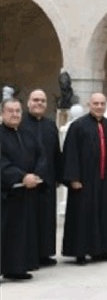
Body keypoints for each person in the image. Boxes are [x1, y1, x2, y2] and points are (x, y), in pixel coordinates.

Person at [62, 92, 107, 264]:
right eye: (96, 103)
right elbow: (70, 153)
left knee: (104, 214)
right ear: (89, 104)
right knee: (83, 216)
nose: (99, 107)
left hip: (105, 179)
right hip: (84, 180)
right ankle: (80, 252)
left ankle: (100, 250)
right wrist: (74, 178)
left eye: (102, 103)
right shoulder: (78, 126)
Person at [1, 98, 44, 281]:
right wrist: (21, 176)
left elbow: (42, 156)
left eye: (18, 111)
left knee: (21, 234)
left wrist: (36, 175)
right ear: (2, 113)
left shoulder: (27, 134)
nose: (15, 114)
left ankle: (17, 268)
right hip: (6, 194)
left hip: (25, 194)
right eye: (10, 111)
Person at [21, 89, 61, 266]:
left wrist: (59, 176)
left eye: (42, 101)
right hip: (27, 180)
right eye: (35, 100)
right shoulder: (20, 124)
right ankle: (29, 254)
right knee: (28, 219)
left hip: (48, 180)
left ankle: (45, 253)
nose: (39, 103)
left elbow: (56, 153)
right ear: (28, 102)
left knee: (46, 218)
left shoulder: (50, 125)